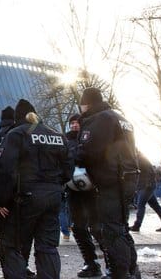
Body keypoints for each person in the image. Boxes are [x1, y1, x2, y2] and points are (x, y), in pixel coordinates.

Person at [0, 99, 72, 279]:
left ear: (17, 117)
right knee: (47, 247)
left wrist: (1, 201)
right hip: (53, 197)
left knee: (11, 246)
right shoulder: (57, 136)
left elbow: (5, 170)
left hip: (25, 199)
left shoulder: (17, 134)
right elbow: (68, 170)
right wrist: (54, 186)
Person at [77, 87, 141, 278]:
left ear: (86, 103)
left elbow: (89, 150)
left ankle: (120, 273)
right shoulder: (120, 118)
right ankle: (132, 270)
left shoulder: (99, 119)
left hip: (111, 179)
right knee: (121, 227)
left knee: (112, 230)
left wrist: (71, 156)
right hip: (127, 176)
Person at [0, 106, 36, 279]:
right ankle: (23, 266)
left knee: (6, 238)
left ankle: (10, 271)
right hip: (20, 192)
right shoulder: (22, 133)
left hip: (2, 194)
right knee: (24, 235)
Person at [65, 114, 103, 278]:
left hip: (92, 190)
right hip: (73, 191)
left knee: (97, 227)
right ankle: (91, 263)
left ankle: (111, 262)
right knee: (79, 228)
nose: (74, 125)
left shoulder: (89, 138)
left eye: (77, 123)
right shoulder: (65, 140)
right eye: (72, 123)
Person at [129, 151, 161, 232]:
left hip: (146, 186)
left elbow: (148, 172)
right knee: (155, 205)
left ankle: (137, 225)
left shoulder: (139, 159)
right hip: (148, 185)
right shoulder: (142, 158)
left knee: (141, 205)